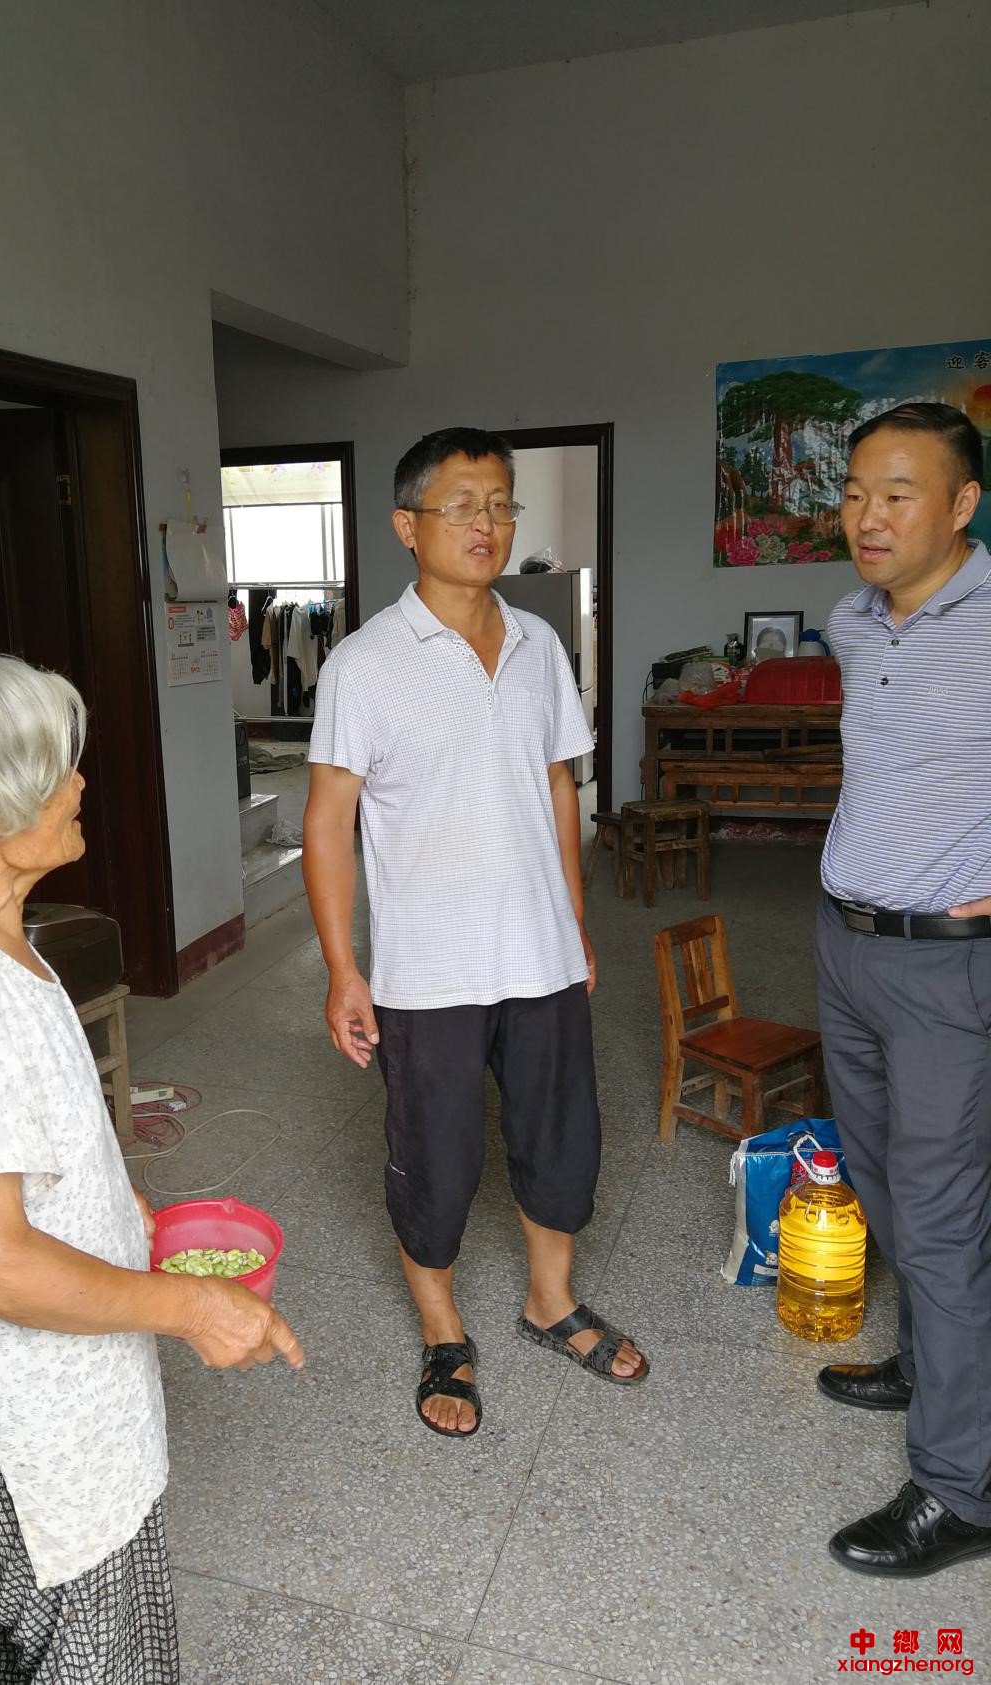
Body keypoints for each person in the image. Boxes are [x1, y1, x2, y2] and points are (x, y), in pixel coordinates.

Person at [0, 654, 304, 1683]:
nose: (81, 782)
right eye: (55, 769)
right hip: (26, 1433)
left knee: (25, 1649)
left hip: (24, 1410)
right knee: (99, 1657)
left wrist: (105, 1193)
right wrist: (193, 1306)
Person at [303, 426, 647, 1439]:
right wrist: (342, 969)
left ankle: (551, 1301)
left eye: (500, 503)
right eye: (461, 504)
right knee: (437, 1160)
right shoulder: (364, 663)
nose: (486, 523)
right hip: (427, 970)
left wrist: (574, 919)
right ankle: (442, 1329)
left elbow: (557, 784)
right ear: (407, 525)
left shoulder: (540, 645)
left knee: (561, 1139)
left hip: (539, 951)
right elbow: (327, 821)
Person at [814, 401, 991, 1576]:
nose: (866, 517)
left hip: (944, 966)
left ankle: (960, 1484)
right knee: (879, 1176)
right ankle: (931, 1366)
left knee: (939, 1215)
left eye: (897, 493)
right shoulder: (851, 619)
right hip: (845, 944)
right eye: (853, 493)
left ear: (962, 504)